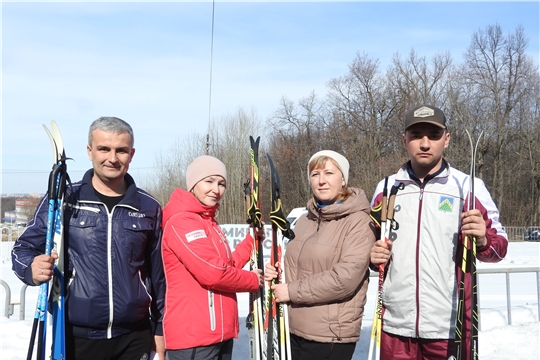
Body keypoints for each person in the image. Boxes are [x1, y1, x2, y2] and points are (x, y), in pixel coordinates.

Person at [12, 117, 165, 360]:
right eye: (104, 149)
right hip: (75, 336)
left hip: (134, 337)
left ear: (132, 154)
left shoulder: (148, 206)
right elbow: (23, 248)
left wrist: (159, 328)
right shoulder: (64, 200)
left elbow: (159, 276)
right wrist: (31, 268)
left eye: (121, 150)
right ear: (89, 151)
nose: (112, 158)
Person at [369, 105, 508, 360]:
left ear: (447, 139)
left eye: (433, 135)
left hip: (450, 326)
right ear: (404, 140)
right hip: (395, 325)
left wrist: (483, 240)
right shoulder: (386, 187)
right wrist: (372, 255)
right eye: (416, 135)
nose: (424, 143)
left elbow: (499, 248)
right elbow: (371, 245)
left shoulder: (468, 186)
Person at [264, 150, 375, 360]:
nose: (321, 181)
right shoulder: (306, 219)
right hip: (294, 330)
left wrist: (291, 291)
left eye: (329, 173)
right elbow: (298, 267)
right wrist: (277, 274)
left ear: (343, 179)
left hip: (329, 336)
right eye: (315, 174)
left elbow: (345, 279)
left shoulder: (359, 221)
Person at [161, 155, 264, 360]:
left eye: (221, 183)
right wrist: (254, 280)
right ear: (193, 184)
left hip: (219, 334)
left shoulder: (209, 222)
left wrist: (252, 240)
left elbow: (227, 265)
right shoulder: (182, 221)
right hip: (194, 339)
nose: (216, 190)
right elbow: (214, 274)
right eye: (209, 181)